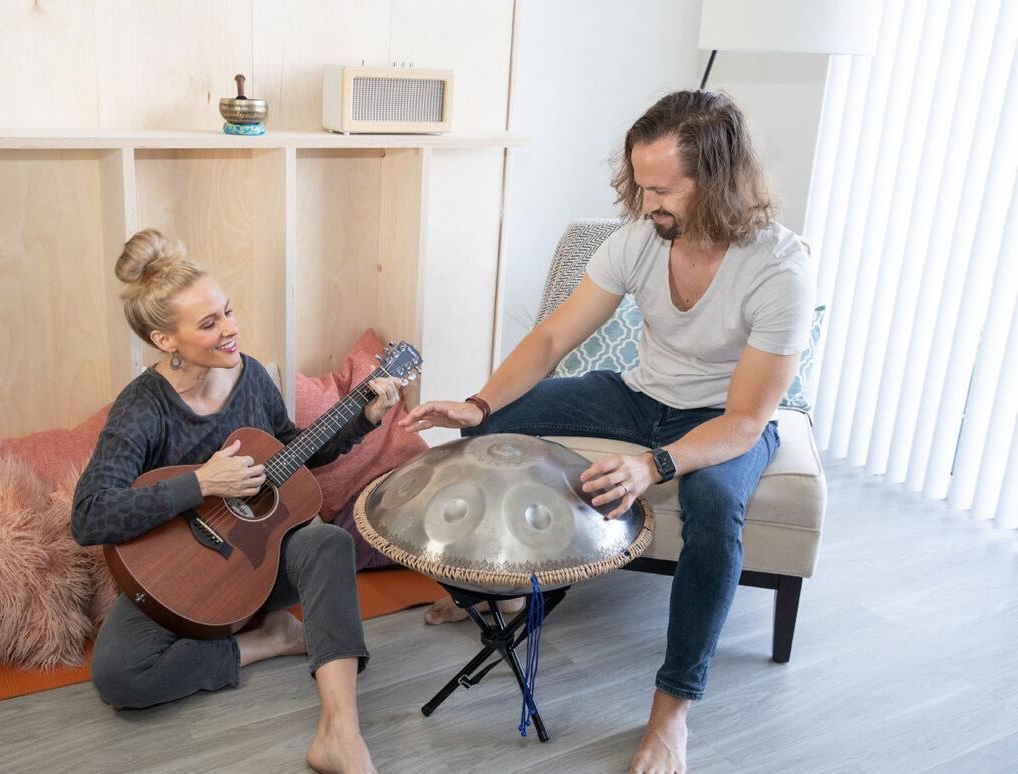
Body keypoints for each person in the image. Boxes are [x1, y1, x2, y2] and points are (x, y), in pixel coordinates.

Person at [400, 90, 814, 774]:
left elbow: (743, 422)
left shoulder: (779, 267)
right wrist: (477, 404)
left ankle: (673, 707)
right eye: (639, 184)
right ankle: (500, 587)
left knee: (714, 507)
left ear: (716, 179)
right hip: (637, 395)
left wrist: (652, 465)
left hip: (724, 420)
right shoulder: (640, 240)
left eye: (662, 189)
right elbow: (555, 335)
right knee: (494, 427)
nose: (645, 203)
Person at [72, 229, 400, 774]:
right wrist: (201, 484)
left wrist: (361, 420)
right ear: (165, 340)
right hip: (182, 576)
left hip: (258, 564)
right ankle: (270, 641)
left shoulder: (250, 377)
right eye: (209, 323)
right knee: (118, 676)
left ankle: (340, 733)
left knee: (326, 540)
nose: (231, 329)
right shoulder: (141, 408)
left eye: (228, 311)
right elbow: (89, 515)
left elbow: (289, 454)